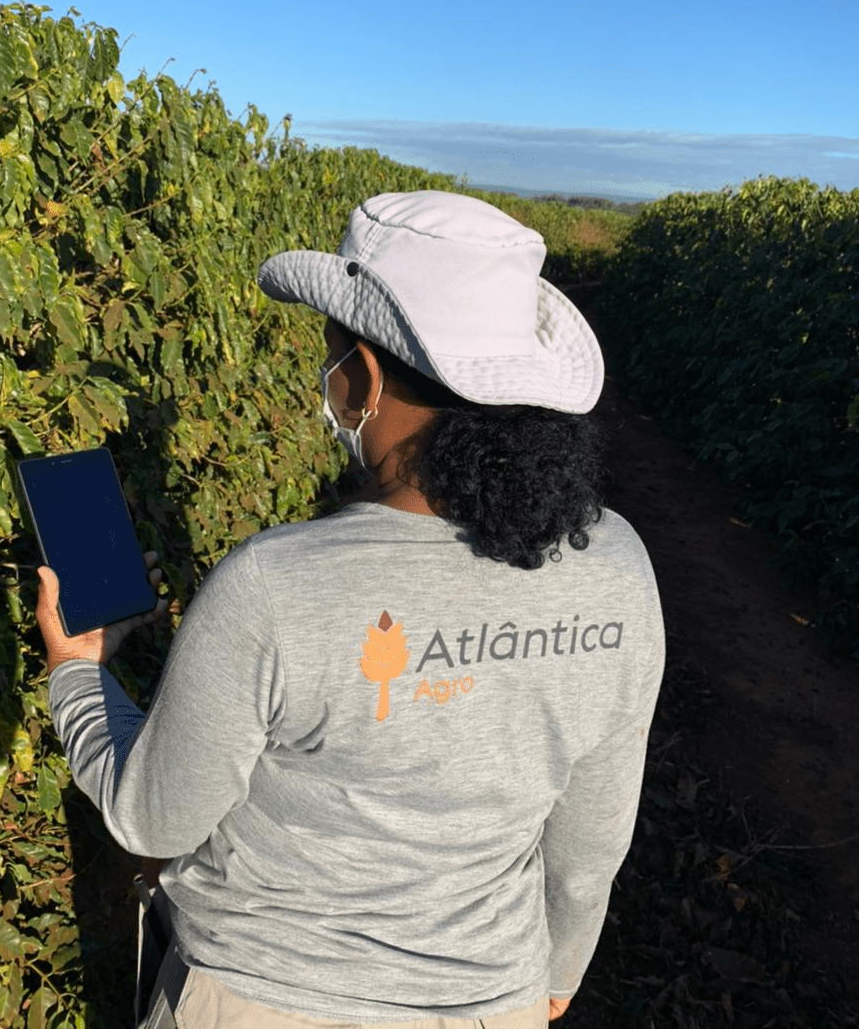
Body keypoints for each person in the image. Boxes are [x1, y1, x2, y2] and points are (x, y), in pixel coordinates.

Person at [37, 189, 665, 1029]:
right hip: (490, 1003)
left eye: (332, 358)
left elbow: (153, 817)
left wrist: (76, 674)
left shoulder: (273, 584)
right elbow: (593, 829)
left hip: (259, 1000)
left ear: (362, 378)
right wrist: (557, 973)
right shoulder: (617, 563)